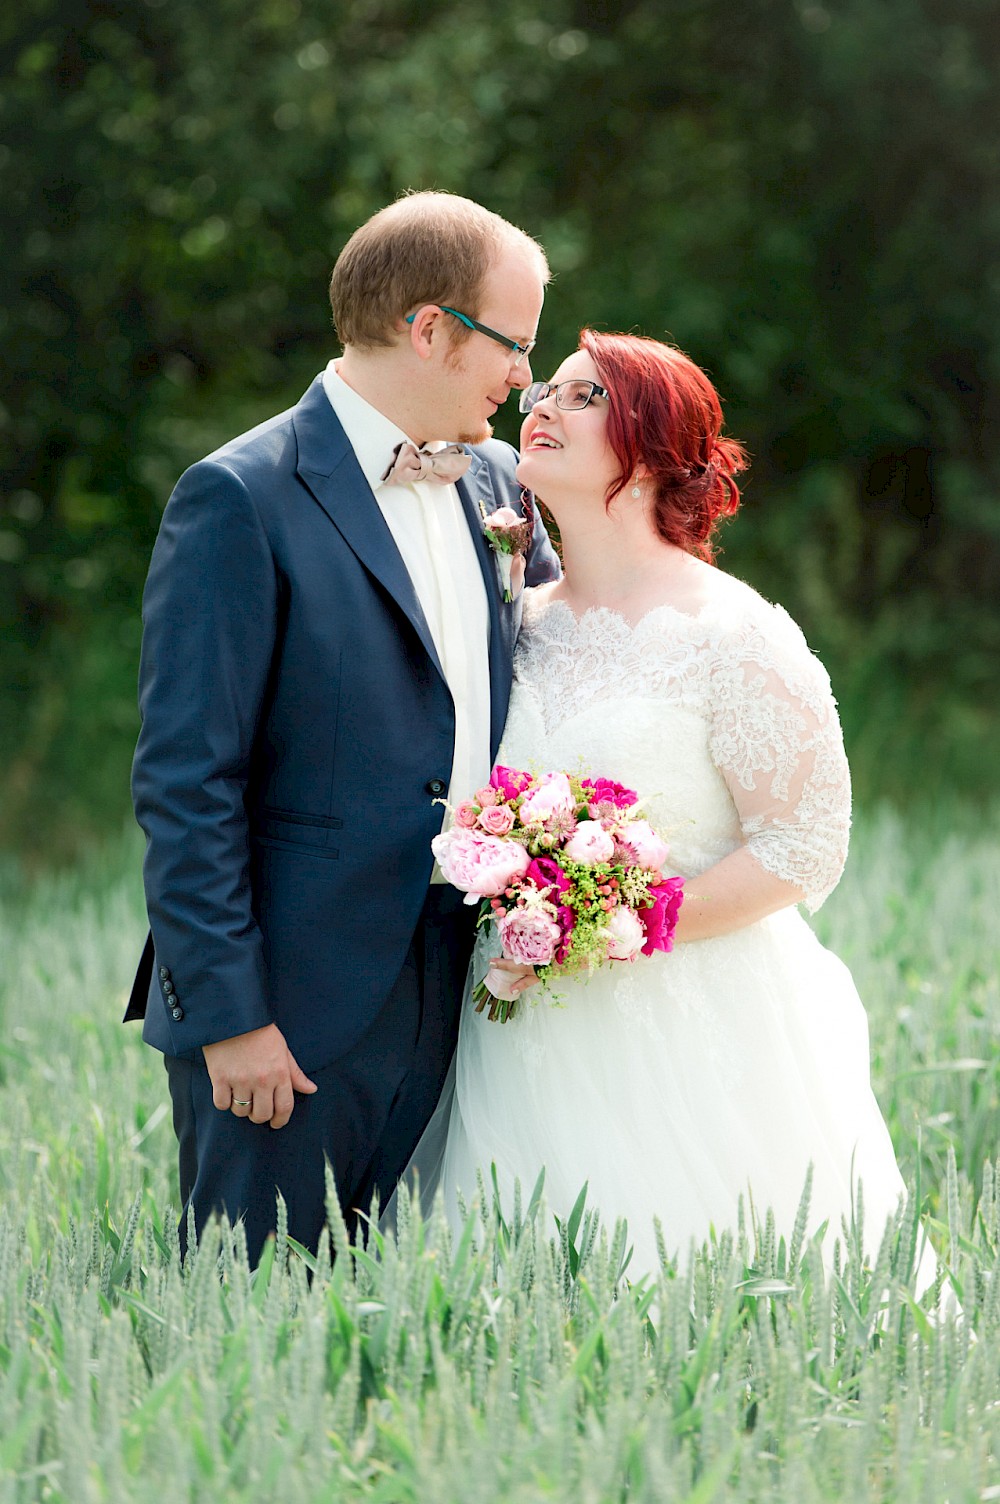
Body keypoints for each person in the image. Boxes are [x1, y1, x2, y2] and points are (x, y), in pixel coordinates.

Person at [433, 329, 933, 1279]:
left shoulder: (735, 633)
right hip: (516, 1018)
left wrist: (616, 921)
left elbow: (803, 844)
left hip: (692, 1013)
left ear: (655, 446)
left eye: (584, 398)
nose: (540, 408)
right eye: (545, 391)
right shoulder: (514, 626)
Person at [125, 191, 560, 1264]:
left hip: (463, 982)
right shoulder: (238, 497)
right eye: (516, 346)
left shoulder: (500, 484)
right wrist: (232, 1017)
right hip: (292, 1005)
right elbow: (189, 780)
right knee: (251, 1323)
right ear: (429, 328)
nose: (523, 381)